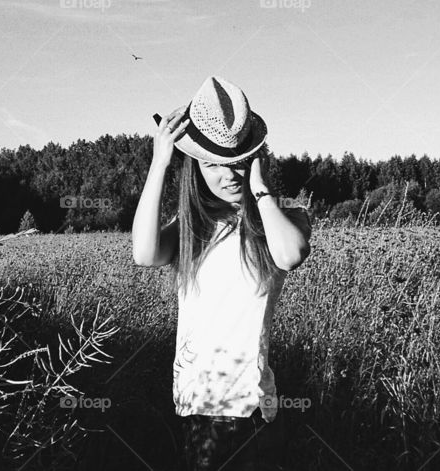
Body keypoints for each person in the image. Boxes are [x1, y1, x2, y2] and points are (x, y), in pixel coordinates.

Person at [132, 76, 312, 471]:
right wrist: (161, 163)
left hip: (249, 412)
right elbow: (144, 254)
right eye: (213, 164)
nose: (228, 176)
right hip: (196, 407)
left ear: (256, 160)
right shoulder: (192, 227)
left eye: (238, 164)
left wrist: (261, 189)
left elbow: (290, 255)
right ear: (195, 167)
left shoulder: (283, 221)